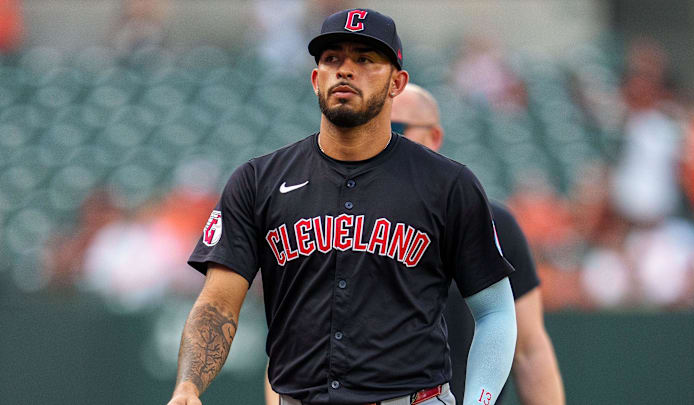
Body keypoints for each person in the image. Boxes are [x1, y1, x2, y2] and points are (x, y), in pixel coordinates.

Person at [168, 8, 517, 405]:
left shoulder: (448, 184)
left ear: (396, 83)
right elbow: (217, 304)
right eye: (332, 59)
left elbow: (495, 314)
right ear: (316, 79)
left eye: (365, 59)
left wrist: (480, 402)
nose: (345, 70)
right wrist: (188, 387)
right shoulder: (257, 181)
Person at [389, 83, 565, 405]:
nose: (383, 138)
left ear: (434, 137)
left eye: (396, 127)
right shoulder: (340, 222)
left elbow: (529, 350)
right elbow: (295, 347)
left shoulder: (489, 220)